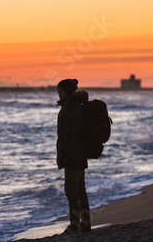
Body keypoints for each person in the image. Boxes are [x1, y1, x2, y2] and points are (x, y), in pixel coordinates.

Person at [56, 78, 91, 234]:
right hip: (78, 154)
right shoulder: (72, 106)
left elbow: (70, 133)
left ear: (67, 91)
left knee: (71, 190)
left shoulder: (72, 107)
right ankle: (85, 224)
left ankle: (75, 225)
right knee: (80, 191)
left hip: (73, 154)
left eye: (60, 91)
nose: (58, 93)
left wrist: (63, 150)